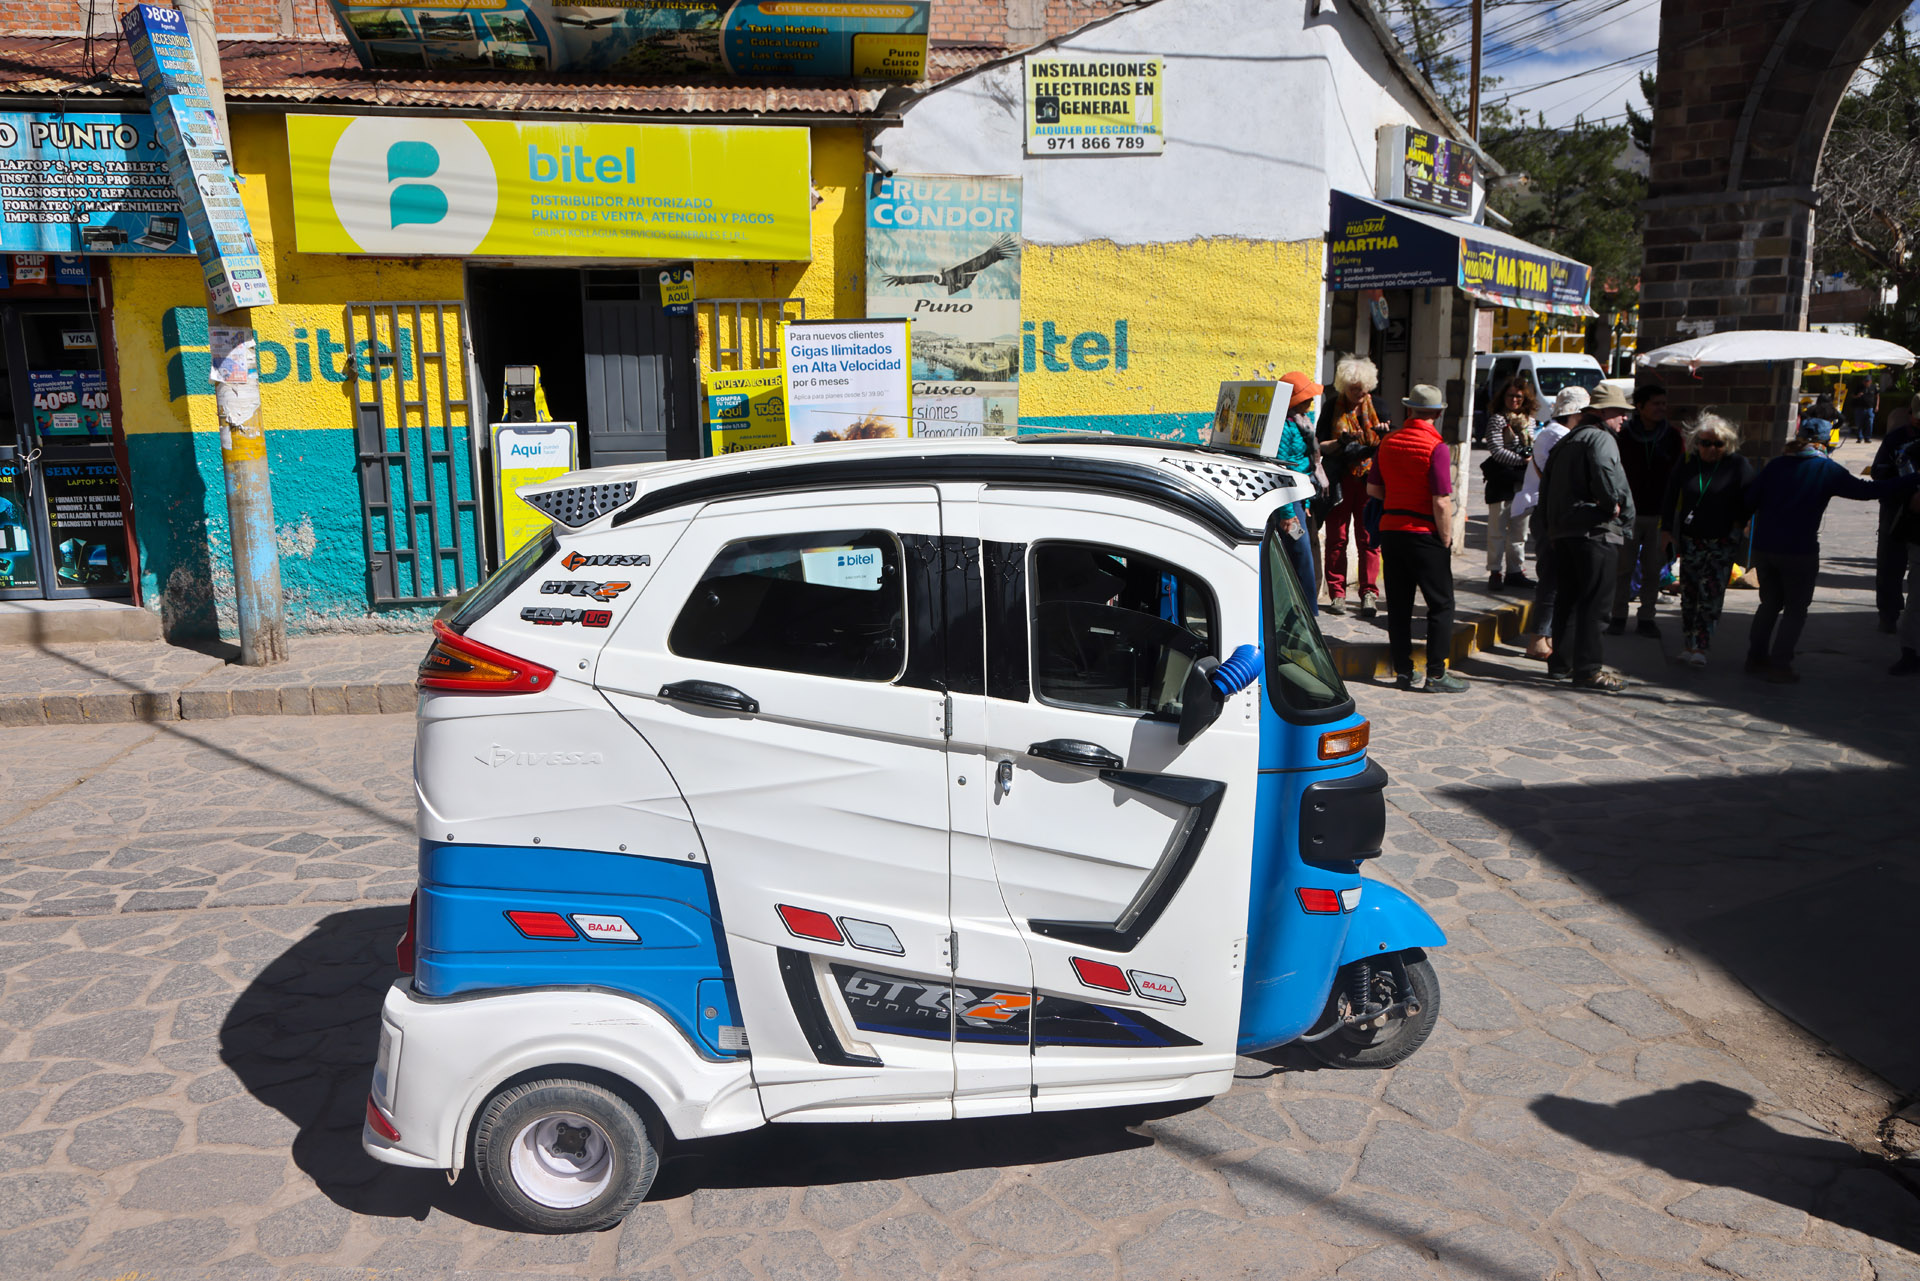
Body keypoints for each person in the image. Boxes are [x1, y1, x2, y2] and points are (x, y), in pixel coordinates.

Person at [1743, 418, 1920, 683]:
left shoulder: (1776, 465)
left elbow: (1749, 500)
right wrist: (1912, 479)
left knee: (1769, 604)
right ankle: (1780, 665)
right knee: (1795, 609)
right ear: (1826, 442)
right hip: (1799, 550)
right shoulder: (1825, 468)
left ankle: (1755, 658)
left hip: (1765, 548)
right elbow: (1866, 491)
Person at [1367, 383, 1466, 693]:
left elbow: (1373, 489)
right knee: (1441, 604)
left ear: (1409, 410)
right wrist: (1446, 539)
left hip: (1391, 531)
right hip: (1424, 534)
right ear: (1437, 413)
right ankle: (1436, 674)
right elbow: (1441, 500)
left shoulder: (1388, 442)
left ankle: (1404, 671)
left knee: (1398, 606)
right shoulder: (1437, 447)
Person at [1539, 383, 1636, 692]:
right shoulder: (1600, 438)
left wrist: (1551, 529)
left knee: (1568, 600)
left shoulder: (1567, 441)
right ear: (1603, 412)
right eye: (1619, 412)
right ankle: (1588, 670)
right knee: (1596, 605)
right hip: (1595, 533)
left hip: (1565, 533)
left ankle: (1561, 664)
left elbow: (1546, 489)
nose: (1624, 419)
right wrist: (1611, 505)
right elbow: (1606, 472)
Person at [1659, 414, 1756, 669]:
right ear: (1696, 442)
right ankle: (1688, 643)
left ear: (1727, 444)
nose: (1711, 449)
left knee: (1710, 594)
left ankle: (1701, 646)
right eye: (1705, 443)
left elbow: (1752, 497)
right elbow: (1670, 496)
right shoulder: (1687, 463)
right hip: (1691, 539)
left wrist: (1741, 524)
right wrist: (1666, 529)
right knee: (1690, 593)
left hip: (1722, 540)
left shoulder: (1737, 465)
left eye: (1718, 444)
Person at [1517, 386, 1588, 661]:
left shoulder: (1553, 433)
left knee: (1555, 576)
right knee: (1552, 577)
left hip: (1550, 511)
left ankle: (1544, 635)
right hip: (1550, 513)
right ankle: (1538, 638)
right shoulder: (1556, 435)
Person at [1609, 382, 1681, 638]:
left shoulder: (1672, 437)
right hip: (1628, 514)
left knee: (1653, 569)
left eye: (1664, 404)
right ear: (1640, 407)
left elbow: (1679, 475)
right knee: (1622, 567)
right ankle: (1617, 615)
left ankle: (1647, 617)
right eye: (1656, 404)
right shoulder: (1624, 435)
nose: (1661, 408)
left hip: (1660, 514)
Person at [1317, 355, 1383, 617]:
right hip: (1339, 480)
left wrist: (1384, 435)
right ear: (1344, 386)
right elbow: (1320, 445)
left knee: (1369, 538)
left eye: (1364, 389)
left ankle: (1369, 593)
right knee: (1337, 538)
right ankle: (1337, 594)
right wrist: (1341, 443)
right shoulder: (1331, 407)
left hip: (1368, 481)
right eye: (1355, 389)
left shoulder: (1379, 407)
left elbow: (1386, 444)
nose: (1360, 394)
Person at [1274, 371, 1324, 615]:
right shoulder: (1285, 428)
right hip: (1289, 504)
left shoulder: (1301, 423)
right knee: (1300, 553)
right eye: (1306, 398)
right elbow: (1280, 470)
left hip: (1298, 501)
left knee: (1302, 553)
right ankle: (1306, 613)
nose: (1311, 401)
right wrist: (1287, 513)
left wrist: (1305, 503)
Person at [1482, 377, 1537, 591]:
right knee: (1497, 530)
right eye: (1510, 395)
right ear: (1503, 397)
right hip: (1502, 482)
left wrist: (1530, 459)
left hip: (1523, 483)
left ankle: (1515, 571)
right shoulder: (1497, 420)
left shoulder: (1530, 421)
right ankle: (1495, 571)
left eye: (1519, 396)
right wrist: (1522, 460)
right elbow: (1496, 451)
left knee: (1519, 532)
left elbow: (1533, 446)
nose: (1514, 400)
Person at [1870, 407, 1917, 633]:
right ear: (1910, 414)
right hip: (1896, 509)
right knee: (1890, 564)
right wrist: (1903, 484)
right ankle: (1888, 614)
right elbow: (1878, 471)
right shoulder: (1896, 439)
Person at [1853, 376, 1879, 444]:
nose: (1866, 383)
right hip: (1860, 408)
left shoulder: (1873, 387)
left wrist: (1877, 406)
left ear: (1870, 381)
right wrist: (1858, 396)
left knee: (1870, 423)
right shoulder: (1859, 387)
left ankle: (1867, 437)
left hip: (1869, 408)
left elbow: (1877, 396)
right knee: (1859, 423)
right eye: (1865, 381)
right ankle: (1859, 437)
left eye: (1867, 381)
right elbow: (1853, 395)